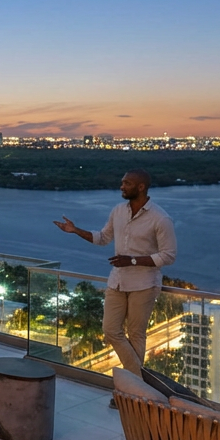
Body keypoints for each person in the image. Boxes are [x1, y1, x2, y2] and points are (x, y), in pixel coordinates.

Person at [53, 169, 177, 401]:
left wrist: (132, 260)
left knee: (136, 334)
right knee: (110, 330)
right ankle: (139, 387)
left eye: (126, 183)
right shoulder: (118, 211)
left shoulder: (161, 218)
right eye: (122, 182)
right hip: (118, 281)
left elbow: (168, 256)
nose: (121, 186)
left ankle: (131, 394)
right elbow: (103, 238)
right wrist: (75, 230)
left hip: (144, 284)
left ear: (141, 187)